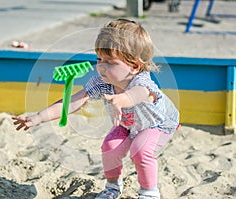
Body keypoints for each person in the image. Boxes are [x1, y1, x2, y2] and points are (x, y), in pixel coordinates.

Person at [13, 18, 179, 199]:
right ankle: (113, 187)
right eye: (99, 59)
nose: (101, 66)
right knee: (109, 147)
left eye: (110, 62)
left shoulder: (141, 81)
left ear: (134, 66)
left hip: (158, 124)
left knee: (141, 150)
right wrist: (37, 117)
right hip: (128, 125)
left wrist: (121, 100)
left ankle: (149, 192)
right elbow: (73, 101)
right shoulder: (102, 82)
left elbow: (139, 94)